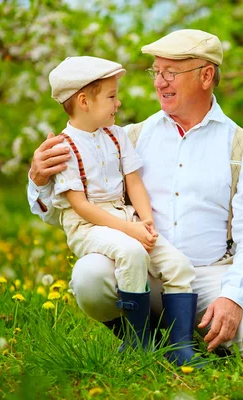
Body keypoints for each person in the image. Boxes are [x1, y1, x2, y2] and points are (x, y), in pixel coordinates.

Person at [27, 29, 243, 358]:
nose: (159, 82)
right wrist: (39, 179)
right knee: (90, 275)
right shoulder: (127, 138)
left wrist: (233, 297)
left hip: (214, 276)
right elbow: (69, 212)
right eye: (156, 72)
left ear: (206, 75)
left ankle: (188, 334)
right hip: (146, 273)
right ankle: (147, 339)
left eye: (171, 72)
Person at [47, 56, 199, 365]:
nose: (118, 103)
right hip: (87, 225)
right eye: (112, 96)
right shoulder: (64, 148)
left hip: (125, 218)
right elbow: (80, 206)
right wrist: (129, 231)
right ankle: (137, 341)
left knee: (178, 265)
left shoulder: (116, 137)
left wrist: (145, 220)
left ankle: (180, 347)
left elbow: (134, 183)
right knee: (132, 253)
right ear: (84, 101)